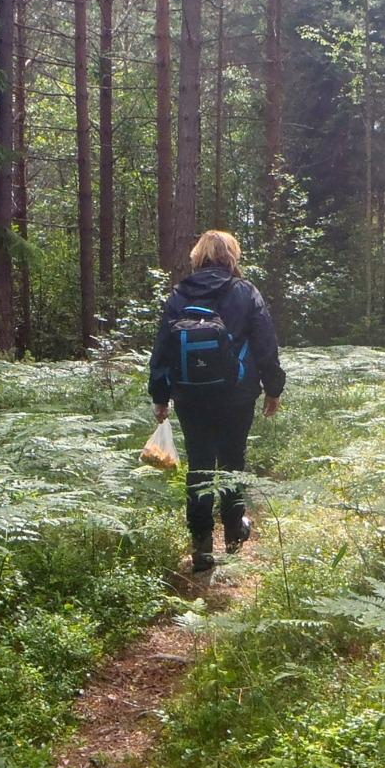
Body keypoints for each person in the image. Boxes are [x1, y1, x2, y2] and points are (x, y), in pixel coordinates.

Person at [148, 230, 285, 571]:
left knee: (199, 465)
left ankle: (202, 548)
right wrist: (273, 388)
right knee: (232, 460)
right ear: (231, 256)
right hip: (237, 394)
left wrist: (160, 396)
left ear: (199, 256)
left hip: (190, 395)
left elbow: (163, 347)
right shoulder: (244, 292)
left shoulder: (179, 294)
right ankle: (235, 533)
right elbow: (266, 344)